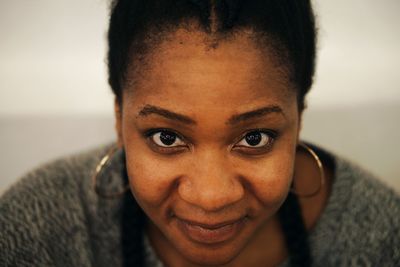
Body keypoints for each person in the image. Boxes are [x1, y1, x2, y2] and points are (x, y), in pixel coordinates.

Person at [1, 0, 399, 266]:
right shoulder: (37, 230)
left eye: (255, 138)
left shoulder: (382, 237)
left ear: (299, 118)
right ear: (119, 118)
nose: (211, 198)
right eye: (167, 137)